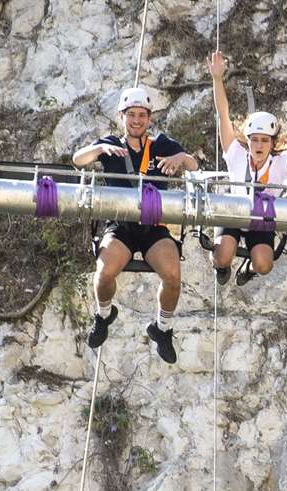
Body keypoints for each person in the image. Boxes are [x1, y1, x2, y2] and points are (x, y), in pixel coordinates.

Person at [71, 86, 199, 364]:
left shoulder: (162, 145)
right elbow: (77, 160)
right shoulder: (111, 145)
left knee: (173, 275)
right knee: (104, 273)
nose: (137, 120)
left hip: (153, 226)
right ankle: (104, 315)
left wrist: (180, 158)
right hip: (122, 225)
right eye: (132, 115)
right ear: (123, 117)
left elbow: (194, 165)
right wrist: (98, 149)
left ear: (149, 118)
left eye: (142, 115)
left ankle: (162, 328)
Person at [208, 52, 287, 286]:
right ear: (247, 141)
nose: (259, 145)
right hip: (234, 212)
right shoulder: (236, 154)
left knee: (264, 264)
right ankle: (221, 266)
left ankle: (248, 267)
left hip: (261, 221)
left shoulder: (281, 164)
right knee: (223, 254)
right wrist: (217, 79)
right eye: (255, 140)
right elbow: (223, 113)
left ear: (273, 143)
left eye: (264, 140)